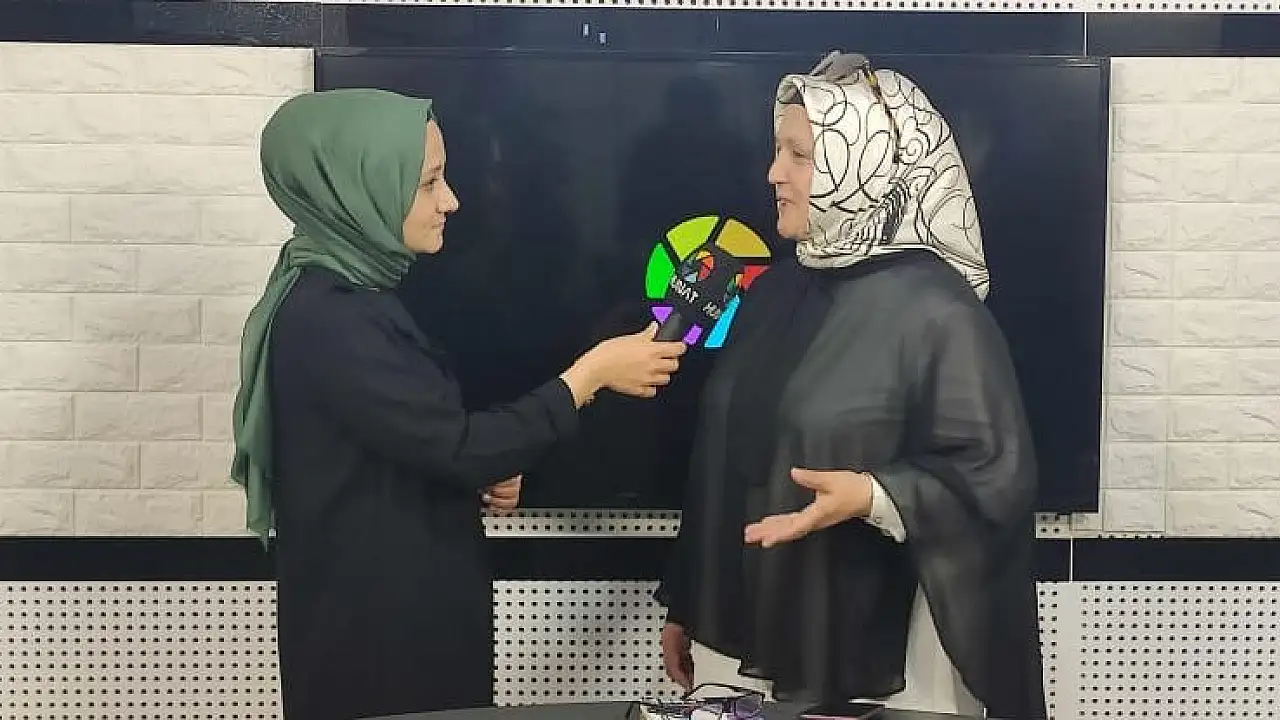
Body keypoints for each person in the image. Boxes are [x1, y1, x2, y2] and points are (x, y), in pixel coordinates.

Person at [229, 88, 686, 720]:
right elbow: (458, 445)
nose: (451, 200)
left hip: (398, 627)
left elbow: (412, 442)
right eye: (429, 183)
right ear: (362, 187)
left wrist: (478, 468)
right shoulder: (333, 319)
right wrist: (590, 375)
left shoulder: (357, 300)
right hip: (378, 650)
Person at [654, 51, 1047, 719]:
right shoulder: (776, 292)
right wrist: (691, 600)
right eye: (778, 151)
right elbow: (724, 458)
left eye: (800, 156)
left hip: (883, 664)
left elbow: (996, 478)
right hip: (743, 641)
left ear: (864, 163)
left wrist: (873, 495)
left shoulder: (939, 314)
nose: (773, 173)